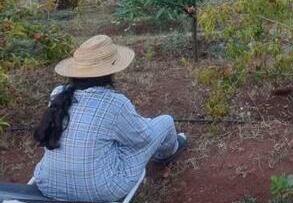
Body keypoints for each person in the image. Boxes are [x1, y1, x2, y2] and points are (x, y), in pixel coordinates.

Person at [31, 35, 188, 202]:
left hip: (48, 183)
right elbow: (142, 138)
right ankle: (166, 154)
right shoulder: (114, 102)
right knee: (165, 121)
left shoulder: (58, 93)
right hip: (101, 190)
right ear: (110, 71)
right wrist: (146, 123)